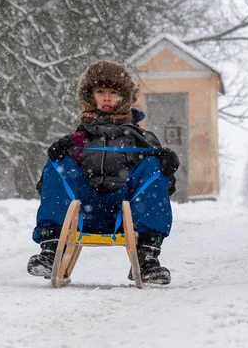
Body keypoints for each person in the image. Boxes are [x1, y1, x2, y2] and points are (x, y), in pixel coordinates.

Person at [27, 60, 180, 285]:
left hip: (125, 213)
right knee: (59, 163)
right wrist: (57, 158)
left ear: (124, 97)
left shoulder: (141, 138)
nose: (107, 98)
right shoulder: (77, 139)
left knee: (152, 165)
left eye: (113, 92)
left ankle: (147, 257)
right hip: (82, 212)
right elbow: (45, 186)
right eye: (100, 92)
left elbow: (164, 188)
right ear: (90, 95)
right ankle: (50, 250)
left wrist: (166, 165)